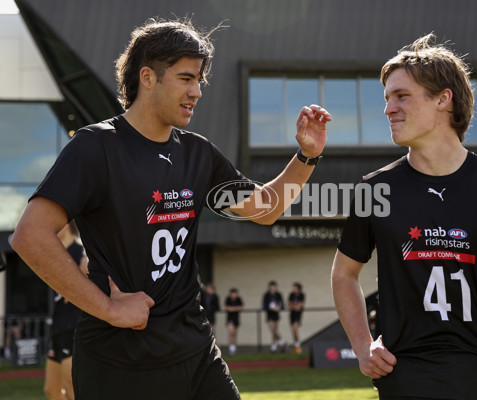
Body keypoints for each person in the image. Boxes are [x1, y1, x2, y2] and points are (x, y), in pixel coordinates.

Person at [11, 18, 330, 400]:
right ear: (148, 77)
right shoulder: (96, 147)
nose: (197, 91)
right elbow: (30, 236)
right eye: (185, 78)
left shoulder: (198, 152)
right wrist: (110, 309)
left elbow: (266, 209)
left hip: (195, 350)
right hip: (119, 362)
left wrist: (306, 157)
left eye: (199, 80)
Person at [331, 33, 477, 400]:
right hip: (402, 382)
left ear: (443, 99)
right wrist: (363, 346)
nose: (388, 108)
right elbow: (344, 274)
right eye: (387, 98)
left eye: (401, 96)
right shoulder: (373, 190)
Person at [44, 221, 88, 400]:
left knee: (71, 387)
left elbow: (90, 268)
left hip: (73, 327)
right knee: (51, 390)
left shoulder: (79, 252)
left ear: (68, 226)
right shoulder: (57, 254)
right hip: (57, 328)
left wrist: (77, 286)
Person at [262, 281, 286, 352]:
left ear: (276, 288)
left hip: (276, 315)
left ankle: (273, 346)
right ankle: (282, 342)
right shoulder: (266, 295)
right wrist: (271, 308)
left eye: (274, 288)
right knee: (273, 330)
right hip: (269, 315)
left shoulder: (278, 295)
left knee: (275, 331)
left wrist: (278, 308)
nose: (272, 289)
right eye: (271, 288)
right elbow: (264, 306)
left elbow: (282, 305)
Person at [224, 288, 243, 356]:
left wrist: (233, 308)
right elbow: (227, 307)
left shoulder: (238, 299)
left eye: (235, 293)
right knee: (231, 333)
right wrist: (234, 308)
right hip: (230, 319)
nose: (234, 295)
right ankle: (231, 348)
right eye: (232, 293)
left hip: (236, 319)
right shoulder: (228, 299)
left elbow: (241, 307)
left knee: (235, 333)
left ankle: (234, 348)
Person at [287, 282, 305, 354]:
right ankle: (297, 347)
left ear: (298, 288)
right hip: (292, 315)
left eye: (295, 288)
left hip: (298, 315)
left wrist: (293, 306)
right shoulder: (291, 294)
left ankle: (298, 347)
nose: (294, 289)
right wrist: (294, 306)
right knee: (293, 331)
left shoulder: (301, 295)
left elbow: (299, 307)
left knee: (295, 329)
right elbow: (288, 303)